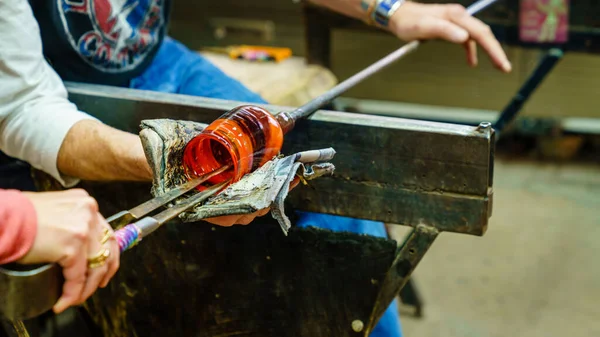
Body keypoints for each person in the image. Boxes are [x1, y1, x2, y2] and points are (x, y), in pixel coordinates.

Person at [0, 0, 511, 336]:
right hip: (57, 93)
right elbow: (21, 107)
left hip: (157, 60)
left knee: (332, 206)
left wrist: (387, 9)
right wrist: (177, 163)